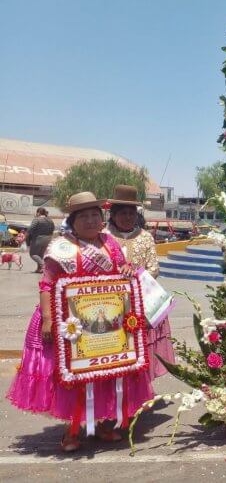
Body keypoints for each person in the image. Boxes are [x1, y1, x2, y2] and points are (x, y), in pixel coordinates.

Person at [6, 191, 154, 452]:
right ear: (72, 221)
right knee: (73, 376)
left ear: (101, 218)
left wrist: (128, 270)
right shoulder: (60, 247)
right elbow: (46, 284)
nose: (89, 221)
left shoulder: (109, 243)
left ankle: (103, 425)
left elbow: (121, 271)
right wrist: (49, 319)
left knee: (105, 372)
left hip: (104, 322)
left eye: (94, 215)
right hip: (69, 323)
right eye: (83, 216)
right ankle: (72, 430)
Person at [106, 184, 174, 381]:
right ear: (114, 214)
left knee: (139, 347)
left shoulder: (145, 237)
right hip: (112, 301)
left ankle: (139, 389)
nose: (128, 217)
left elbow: (155, 268)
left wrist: (136, 275)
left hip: (140, 301)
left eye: (131, 213)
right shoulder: (104, 237)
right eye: (123, 213)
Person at [26, 207, 55, 273]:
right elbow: (53, 228)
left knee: (33, 254)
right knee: (40, 255)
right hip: (48, 239)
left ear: (38, 212)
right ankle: (39, 269)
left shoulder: (37, 219)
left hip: (38, 239)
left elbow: (30, 229)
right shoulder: (50, 220)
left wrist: (26, 237)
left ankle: (44, 266)